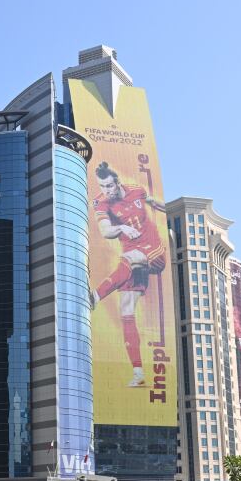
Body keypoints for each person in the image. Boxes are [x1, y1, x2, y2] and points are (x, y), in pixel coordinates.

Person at [89, 161, 167, 387]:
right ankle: (138, 373)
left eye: (109, 186)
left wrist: (170, 211)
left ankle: (95, 296)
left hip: (154, 251)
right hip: (132, 261)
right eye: (102, 186)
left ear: (117, 183)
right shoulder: (102, 203)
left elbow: (153, 202)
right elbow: (105, 231)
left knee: (130, 258)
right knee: (126, 309)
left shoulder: (136, 190)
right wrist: (121, 228)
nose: (106, 191)